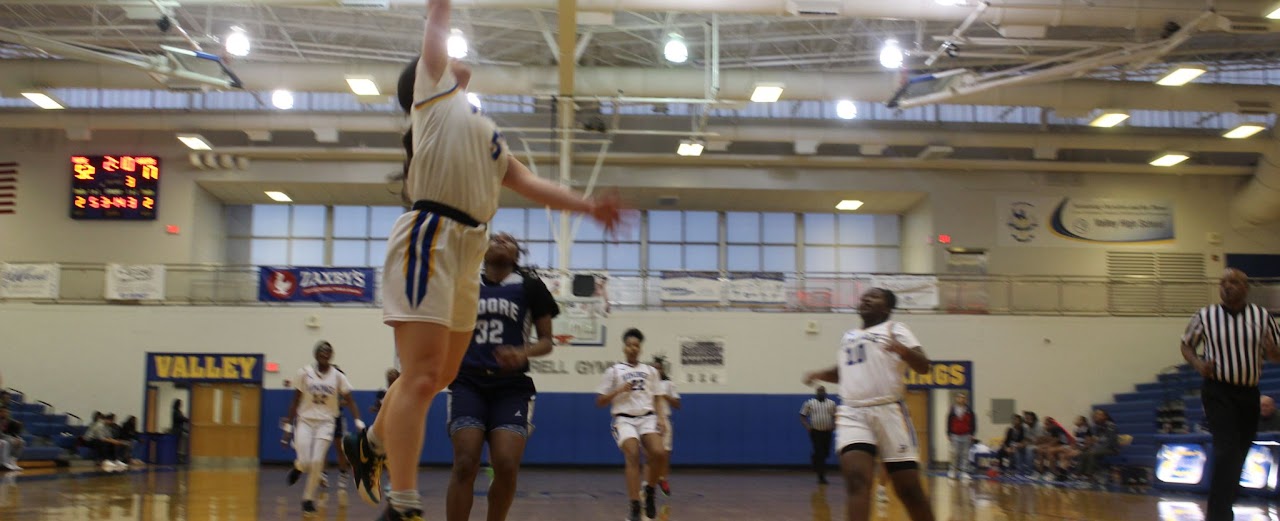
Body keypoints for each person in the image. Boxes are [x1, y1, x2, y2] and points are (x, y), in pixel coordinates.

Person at [341, 0, 623, 518]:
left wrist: (587, 205)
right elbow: (437, 21)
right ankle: (403, 504)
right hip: (431, 235)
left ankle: (369, 443)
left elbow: (531, 183)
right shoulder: (432, 95)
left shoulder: (483, 131)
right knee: (422, 376)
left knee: (439, 376)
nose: (452, 57)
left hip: (467, 247)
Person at [445, 233, 560, 521]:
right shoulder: (464, 283)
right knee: (465, 463)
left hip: (511, 387)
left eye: (508, 240)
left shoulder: (530, 287)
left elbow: (546, 341)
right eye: (494, 238)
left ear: (516, 254)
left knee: (507, 465)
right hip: (468, 382)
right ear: (482, 250)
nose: (499, 241)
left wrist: (523, 352)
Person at [802, 288, 936, 521]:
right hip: (852, 412)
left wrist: (902, 350)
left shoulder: (895, 329)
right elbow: (843, 372)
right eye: (864, 296)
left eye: (873, 297)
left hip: (889, 410)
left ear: (886, 308)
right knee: (856, 481)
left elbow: (924, 366)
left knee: (908, 489)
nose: (865, 299)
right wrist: (820, 373)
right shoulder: (849, 336)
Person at [1180, 268, 1280, 521]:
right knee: (1227, 451)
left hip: (1248, 393)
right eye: (1223, 282)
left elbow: (1276, 355)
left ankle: (1224, 505)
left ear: (1246, 288)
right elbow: (1186, 345)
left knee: (1239, 455)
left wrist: (1273, 352)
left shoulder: (1262, 316)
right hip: (1218, 391)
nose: (1227, 286)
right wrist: (1198, 365)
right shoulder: (1206, 315)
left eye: (1233, 282)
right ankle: (1219, 514)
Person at [595, 328, 668, 521]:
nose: (633, 348)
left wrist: (661, 418)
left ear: (640, 348)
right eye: (629, 345)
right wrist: (618, 390)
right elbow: (600, 401)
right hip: (624, 419)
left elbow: (658, 398)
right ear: (624, 347)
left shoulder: (650, 371)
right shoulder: (614, 371)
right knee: (633, 454)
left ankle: (650, 492)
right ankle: (635, 505)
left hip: (647, 417)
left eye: (636, 345)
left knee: (659, 453)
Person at [284, 341, 364, 515]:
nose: (325, 353)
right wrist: (288, 427)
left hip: (326, 423)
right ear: (315, 354)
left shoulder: (338, 376)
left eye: (328, 351)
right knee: (306, 462)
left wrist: (358, 420)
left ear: (331, 355)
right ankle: (299, 466)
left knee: (317, 461)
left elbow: (350, 400)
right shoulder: (304, 373)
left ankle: (308, 499)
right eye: (321, 350)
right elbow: (295, 400)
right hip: (305, 421)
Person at [647, 356, 680, 496]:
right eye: (654, 368)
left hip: (664, 419)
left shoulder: (668, 384)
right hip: (649, 420)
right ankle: (648, 483)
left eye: (659, 367)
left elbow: (677, 404)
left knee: (665, 453)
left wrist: (665, 396)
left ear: (662, 370)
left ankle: (663, 479)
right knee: (651, 454)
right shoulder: (646, 385)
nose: (657, 370)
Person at [800, 386, 837, 484]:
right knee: (820, 453)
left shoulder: (831, 403)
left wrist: (834, 425)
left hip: (827, 432)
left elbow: (836, 416)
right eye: (819, 391)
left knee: (825, 453)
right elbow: (802, 416)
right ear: (816, 393)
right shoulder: (809, 403)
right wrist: (807, 426)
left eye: (822, 391)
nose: (821, 393)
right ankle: (821, 477)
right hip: (815, 432)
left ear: (826, 393)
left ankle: (814, 457)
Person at [1077, 409, 1119, 484]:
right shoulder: (1098, 427)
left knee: (1092, 453)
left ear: (1105, 416)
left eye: (1098, 414)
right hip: (1100, 448)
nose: (1096, 416)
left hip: (1112, 449)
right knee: (1084, 453)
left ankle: (1089, 476)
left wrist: (1096, 447)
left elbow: (1110, 442)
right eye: (1095, 415)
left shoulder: (1111, 426)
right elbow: (1096, 440)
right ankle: (1079, 475)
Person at [946, 392, 976, 480]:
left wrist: (972, 433)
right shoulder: (952, 410)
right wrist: (948, 433)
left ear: (965, 399)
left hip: (966, 435)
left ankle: (964, 471)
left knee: (965, 454)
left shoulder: (969, 410)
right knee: (954, 453)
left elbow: (973, 422)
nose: (961, 399)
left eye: (963, 398)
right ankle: (952, 470)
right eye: (959, 398)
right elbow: (949, 422)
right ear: (956, 399)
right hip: (955, 435)